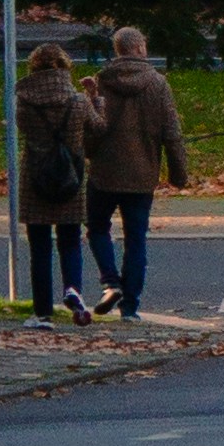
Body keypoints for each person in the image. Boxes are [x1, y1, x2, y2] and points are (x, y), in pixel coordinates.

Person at [86, 24, 189, 319]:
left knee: (96, 227)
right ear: (141, 48)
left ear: (118, 50)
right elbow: (172, 132)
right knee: (136, 239)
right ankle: (129, 306)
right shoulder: (158, 84)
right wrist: (178, 173)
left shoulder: (102, 82)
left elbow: (92, 127)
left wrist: (89, 151)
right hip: (142, 174)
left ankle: (109, 280)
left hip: (105, 172)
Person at [16, 32, 98, 320]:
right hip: (70, 178)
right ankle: (73, 289)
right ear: (65, 68)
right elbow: (99, 128)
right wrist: (95, 100)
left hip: (36, 177)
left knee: (39, 248)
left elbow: (24, 130)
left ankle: (42, 314)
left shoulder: (24, 102)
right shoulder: (77, 102)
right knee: (71, 239)